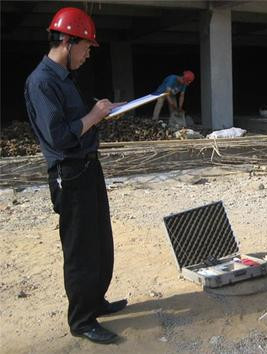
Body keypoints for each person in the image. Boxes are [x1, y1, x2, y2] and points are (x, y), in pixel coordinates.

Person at [24, 7, 127, 344]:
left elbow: (79, 118)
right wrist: (94, 116)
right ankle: (82, 319)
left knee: (99, 241)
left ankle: (95, 300)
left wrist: (98, 111)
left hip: (88, 168)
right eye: (85, 48)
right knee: (81, 249)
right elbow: (60, 136)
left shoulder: (65, 79)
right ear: (68, 42)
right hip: (69, 174)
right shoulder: (41, 81)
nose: (86, 55)